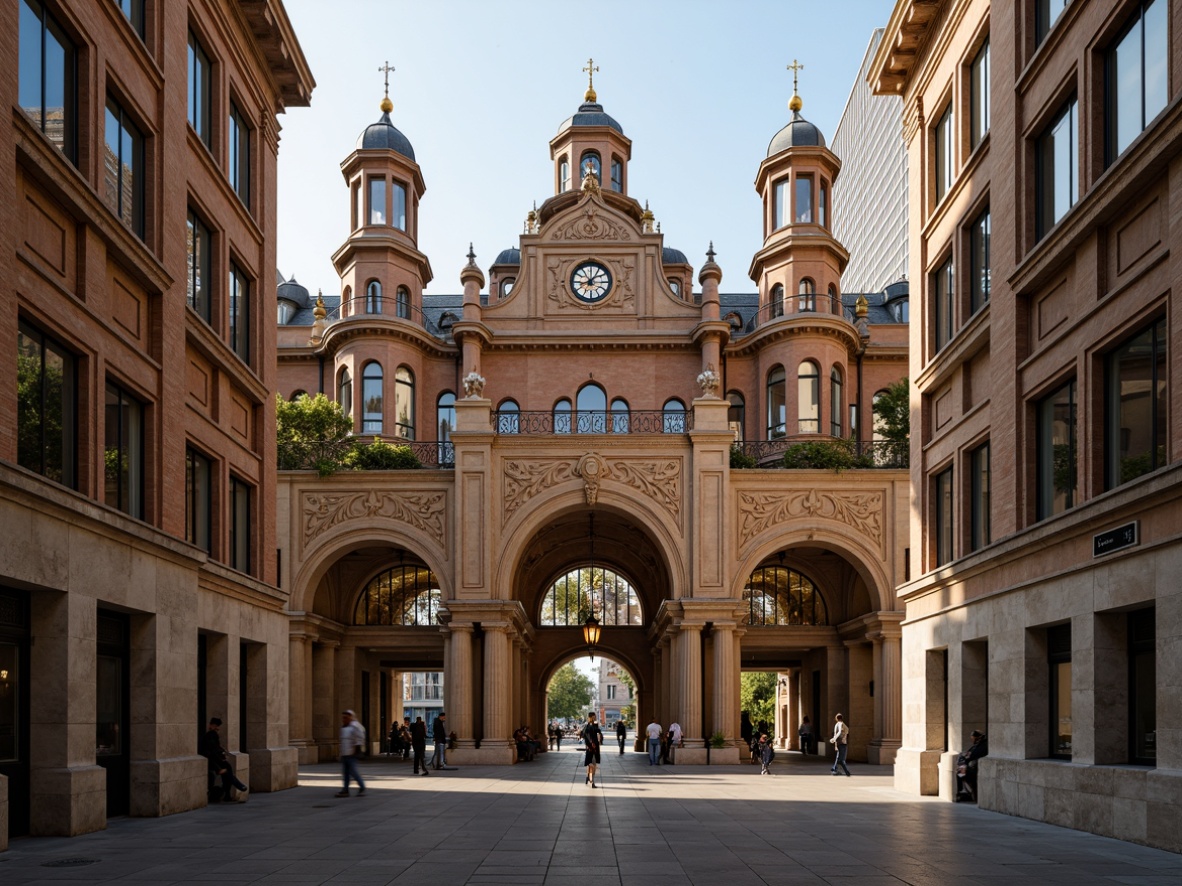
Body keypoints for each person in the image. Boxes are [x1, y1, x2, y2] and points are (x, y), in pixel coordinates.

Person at [200, 717, 248, 802]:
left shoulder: (212, 734)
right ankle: (236, 788)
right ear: (210, 725)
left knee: (227, 770)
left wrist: (222, 752)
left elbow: (215, 748)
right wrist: (218, 766)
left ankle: (231, 792)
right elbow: (212, 750)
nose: (217, 728)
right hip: (212, 760)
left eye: (218, 726)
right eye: (215, 726)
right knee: (227, 770)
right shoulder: (211, 734)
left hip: (215, 760)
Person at [335, 710, 367, 797]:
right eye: (343, 717)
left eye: (346, 717)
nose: (344, 719)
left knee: (353, 772)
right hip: (345, 753)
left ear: (350, 717)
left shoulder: (355, 727)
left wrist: (356, 750)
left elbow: (359, 738)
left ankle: (362, 787)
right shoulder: (344, 727)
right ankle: (345, 790)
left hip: (351, 753)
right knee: (345, 773)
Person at [955, 730, 988, 802]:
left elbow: (973, 755)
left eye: (973, 738)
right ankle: (962, 791)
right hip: (971, 766)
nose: (972, 740)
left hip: (975, 768)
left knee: (961, 773)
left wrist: (967, 758)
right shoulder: (977, 745)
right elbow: (969, 754)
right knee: (960, 772)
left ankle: (963, 792)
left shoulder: (982, 745)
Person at [583, 712, 603, 788]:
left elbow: (599, 734)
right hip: (591, 747)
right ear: (591, 717)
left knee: (591, 764)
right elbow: (586, 736)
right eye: (594, 717)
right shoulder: (588, 726)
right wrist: (591, 744)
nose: (595, 718)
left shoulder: (593, 725)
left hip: (593, 748)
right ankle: (591, 781)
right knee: (592, 765)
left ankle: (588, 778)